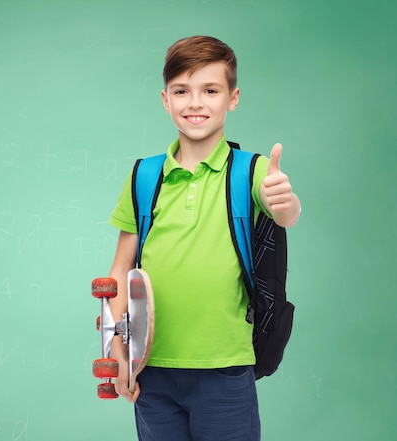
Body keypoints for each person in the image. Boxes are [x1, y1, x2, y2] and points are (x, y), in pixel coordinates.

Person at [107, 35, 301, 441]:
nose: (195, 103)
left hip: (226, 369)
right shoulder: (144, 176)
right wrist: (117, 352)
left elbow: (286, 214)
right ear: (166, 100)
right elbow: (120, 272)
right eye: (182, 91)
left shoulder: (251, 170)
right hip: (151, 369)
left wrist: (284, 202)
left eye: (210, 90)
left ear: (232, 98)